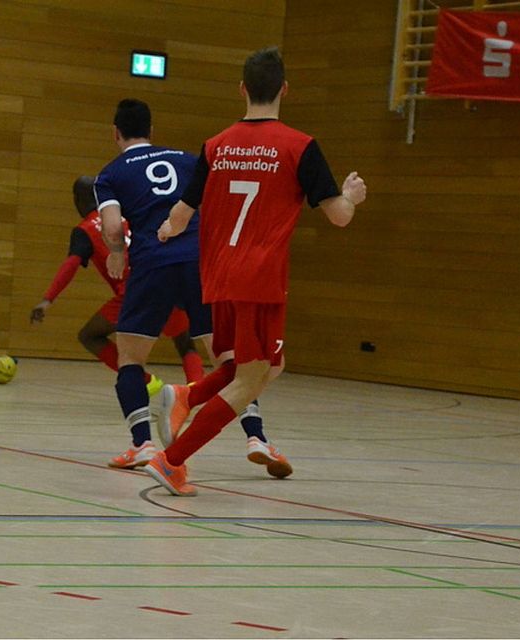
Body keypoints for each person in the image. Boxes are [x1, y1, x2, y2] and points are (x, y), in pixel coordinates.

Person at [147, 46, 367, 496]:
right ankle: (171, 460)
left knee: (267, 364)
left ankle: (189, 396)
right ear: (285, 88)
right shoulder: (300, 146)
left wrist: (167, 231)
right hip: (260, 278)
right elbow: (339, 216)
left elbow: (182, 213)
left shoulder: (215, 146)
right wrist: (352, 195)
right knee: (250, 379)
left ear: (242, 89)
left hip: (219, 276)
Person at [94, 98, 238, 470]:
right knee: (225, 357)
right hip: (198, 262)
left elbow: (112, 227)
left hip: (152, 264)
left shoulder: (110, 174)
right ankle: (254, 434)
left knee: (130, 358)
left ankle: (141, 444)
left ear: (116, 133)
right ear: (152, 132)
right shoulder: (188, 159)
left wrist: (115, 251)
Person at [30, 176, 206, 394]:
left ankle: (148, 383)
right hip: (166, 278)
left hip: (135, 292)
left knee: (91, 336)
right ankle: (197, 391)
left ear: (77, 199)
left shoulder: (85, 229)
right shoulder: (125, 217)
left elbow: (71, 264)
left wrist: (48, 299)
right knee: (184, 342)